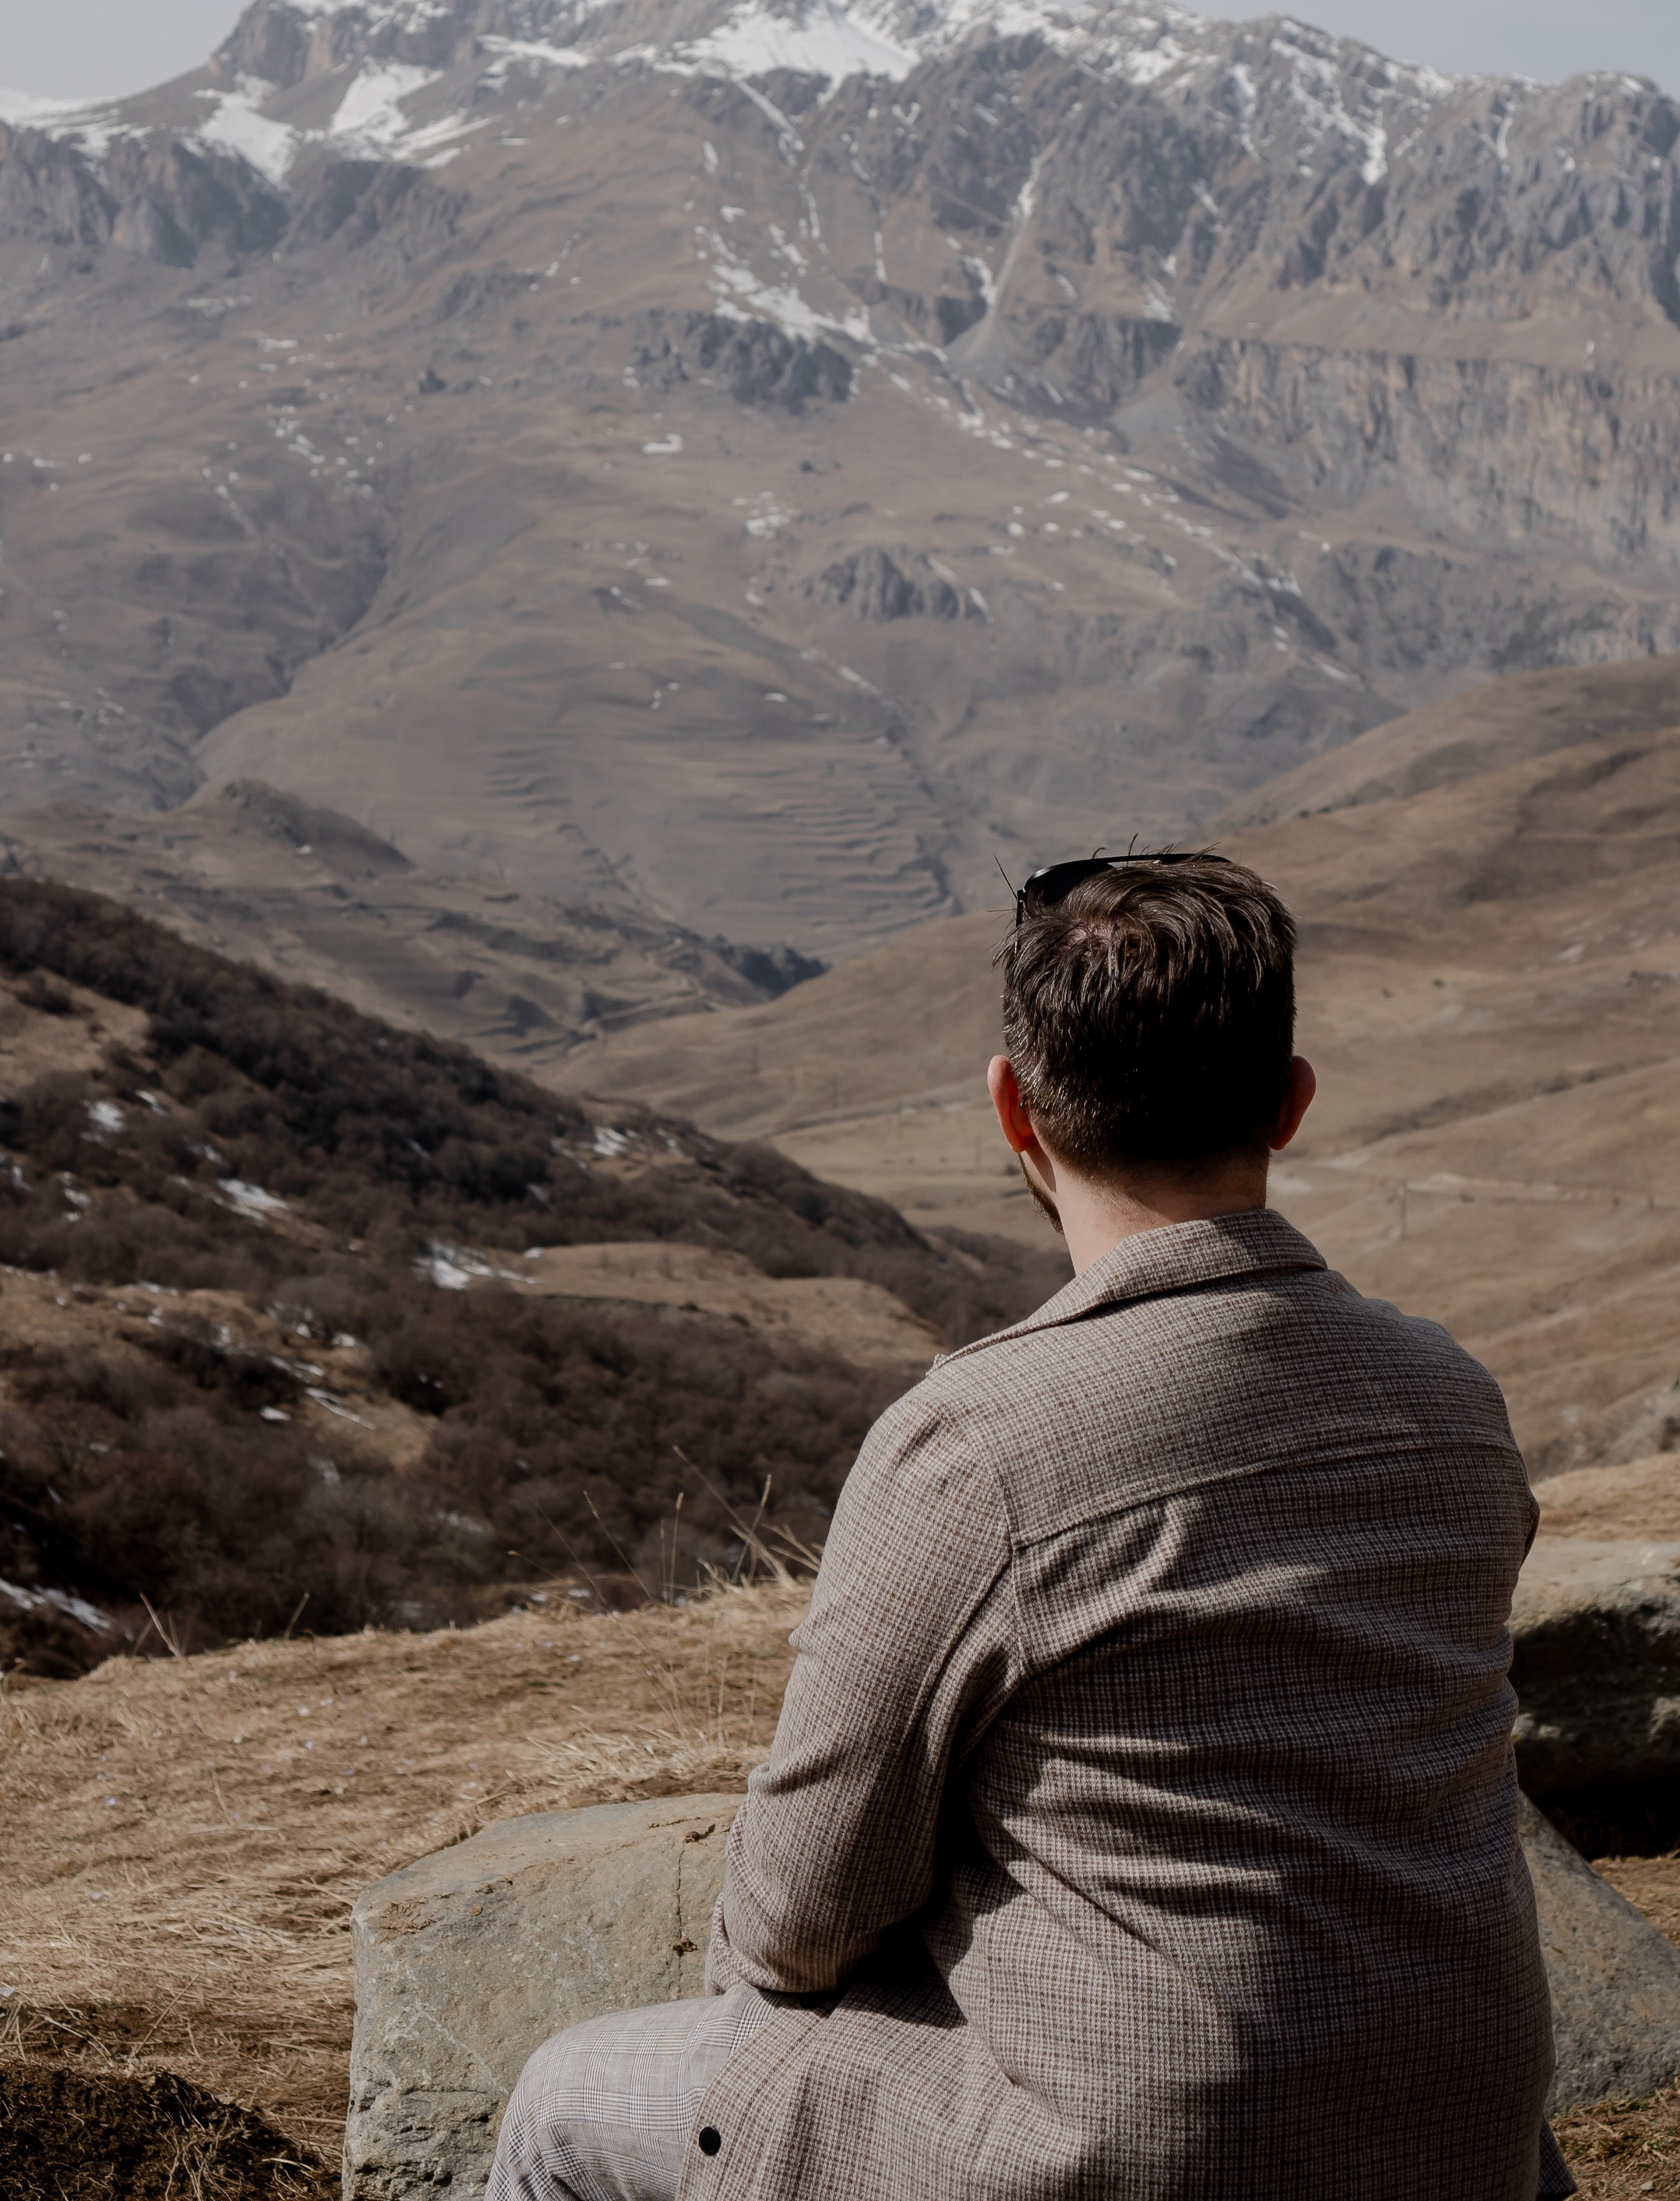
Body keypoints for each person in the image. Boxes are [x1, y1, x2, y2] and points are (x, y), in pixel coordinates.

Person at [487, 852, 1573, 2201]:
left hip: (1129, 2159)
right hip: (1461, 2134)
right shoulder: (1455, 1402)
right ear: (1290, 1103)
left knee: (560, 2103)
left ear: (1014, 1109)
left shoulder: (981, 1443)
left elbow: (804, 1915)